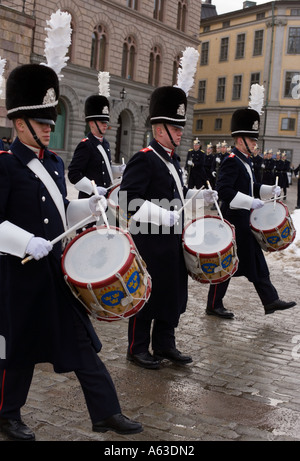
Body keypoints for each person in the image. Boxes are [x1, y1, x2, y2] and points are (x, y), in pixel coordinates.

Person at [0, 63, 142, 441]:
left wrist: (89, 205)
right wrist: (24, 242)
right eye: (42, 122)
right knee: (18, 351)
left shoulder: (55, 162)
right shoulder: (6, 165)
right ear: (19, 123)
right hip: (20, 276)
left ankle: (106, 412)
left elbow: (63, 210)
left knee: (82, 343)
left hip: (55, 273)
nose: (50, 128)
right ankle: (6, 414)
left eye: (50, 121)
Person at [119, 85, 217, 369]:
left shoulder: (172, 159)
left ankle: (165, 344)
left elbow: (175, 195)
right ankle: (136, 348)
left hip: (172, 240)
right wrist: (162, 215)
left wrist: (198, 195)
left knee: (170, 294)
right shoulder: (145, 157)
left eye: (180, 128)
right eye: (175, 128)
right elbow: (128, 200)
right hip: (150, 241)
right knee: (147, 295)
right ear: (159, 128)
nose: (180, 133)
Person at [205, 107, 297, 319]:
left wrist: (267, 190)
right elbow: (224, 190)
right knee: (238, 263)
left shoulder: (244, 160)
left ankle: (265, 300)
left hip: (244, 220)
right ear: (239, 140)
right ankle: (268, 300)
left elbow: (251, 186)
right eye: (251, 139)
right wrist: (251, 202)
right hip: (234, 220)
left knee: (238, 263)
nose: (255, 143)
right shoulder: (231, 160)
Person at [68, 83, 125, 202]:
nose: (105, 125)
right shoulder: (86, 145)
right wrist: (93, 188)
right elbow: (73, 174)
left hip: (105, 199)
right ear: (92, 123)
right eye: (101, 122)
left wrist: (118, 170)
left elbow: (103, 170)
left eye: (106, 122)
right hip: (89, 201)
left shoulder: (106, 144)